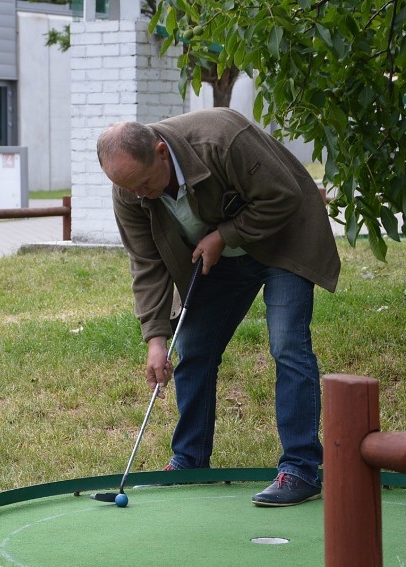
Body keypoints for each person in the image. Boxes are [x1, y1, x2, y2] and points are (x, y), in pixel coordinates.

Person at [96, 108, 340, 507]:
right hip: (219, 263)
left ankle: (300, 469)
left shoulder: (221, 137)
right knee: (192, 350)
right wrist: (156, 338)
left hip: (283, 242)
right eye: (129, 188)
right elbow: (147, 262)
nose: (139, 194)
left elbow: (285, 195)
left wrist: (225, 235)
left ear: (160, 152)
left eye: (143, 183)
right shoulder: (129, 188)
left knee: (287, 344)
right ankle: (190, 461)